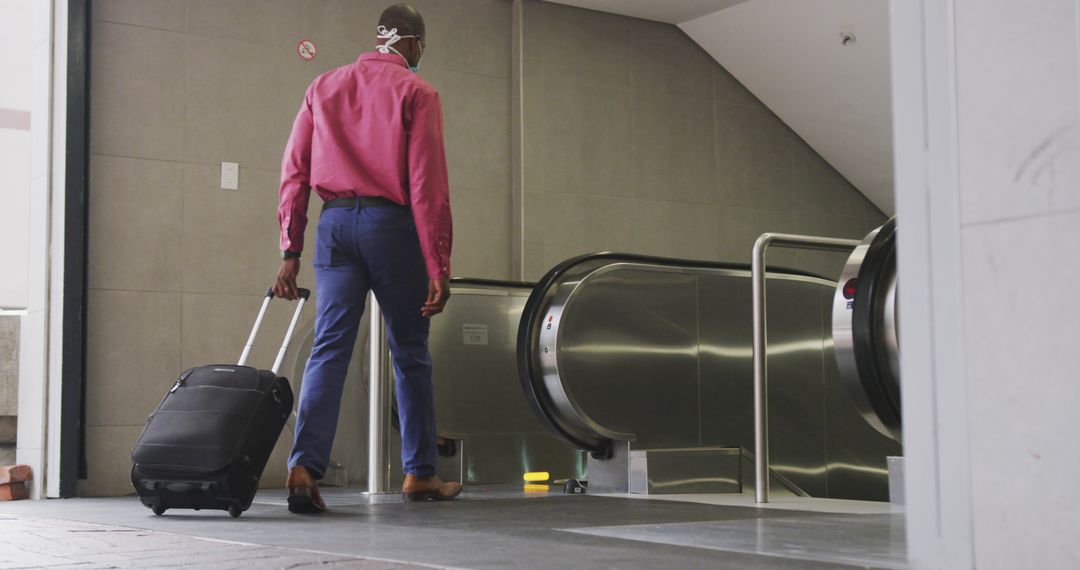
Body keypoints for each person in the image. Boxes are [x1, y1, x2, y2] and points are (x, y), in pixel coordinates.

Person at [273, 3, 459, 513]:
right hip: (391, 227)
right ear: (413, 43)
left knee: (329, 347)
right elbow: (427, 186)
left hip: (334, 227)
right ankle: (419, 473)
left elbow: (294, 172)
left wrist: (290, 250)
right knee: (410, 352)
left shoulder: (323, 87)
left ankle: (303, 466)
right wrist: (438, 263)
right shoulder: (418, 92)